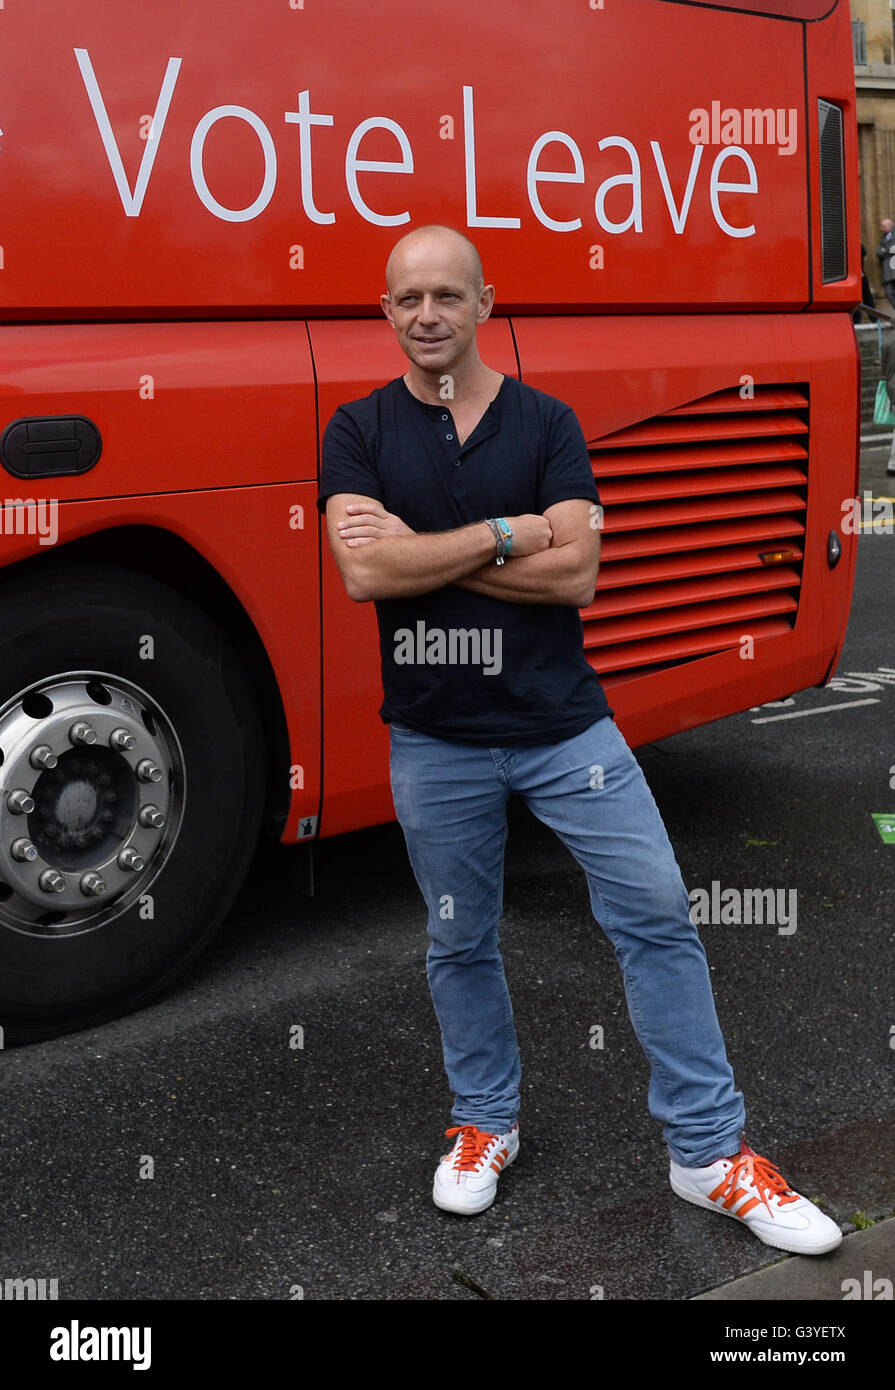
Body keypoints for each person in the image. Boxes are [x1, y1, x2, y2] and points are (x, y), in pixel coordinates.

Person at [317, 224, 842, 1257]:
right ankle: (485, 1123)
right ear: (385, 312)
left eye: (447, 296)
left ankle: (708, 1154)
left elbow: (578, 577)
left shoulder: (547, 422)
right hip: (436, 739)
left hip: (567, 726)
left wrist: (428, 551)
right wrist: (511, 532)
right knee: (459, 937)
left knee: (655, 916)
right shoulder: (356, 429)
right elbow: (363, 575)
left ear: (484, 303)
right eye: (407, 298)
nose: (427, 314)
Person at [881, 323, 895, 476]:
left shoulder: (886, 341)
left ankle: (892, 463)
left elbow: (883, 368)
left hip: (891, 386)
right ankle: (892, 463)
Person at [876, 218, 895, 313]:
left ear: (890, 226)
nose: (881, 229)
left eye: (883, 226)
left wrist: (885, 250)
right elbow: (878, 252)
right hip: (887, 272)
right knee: (889, 292)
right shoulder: (883, 238)